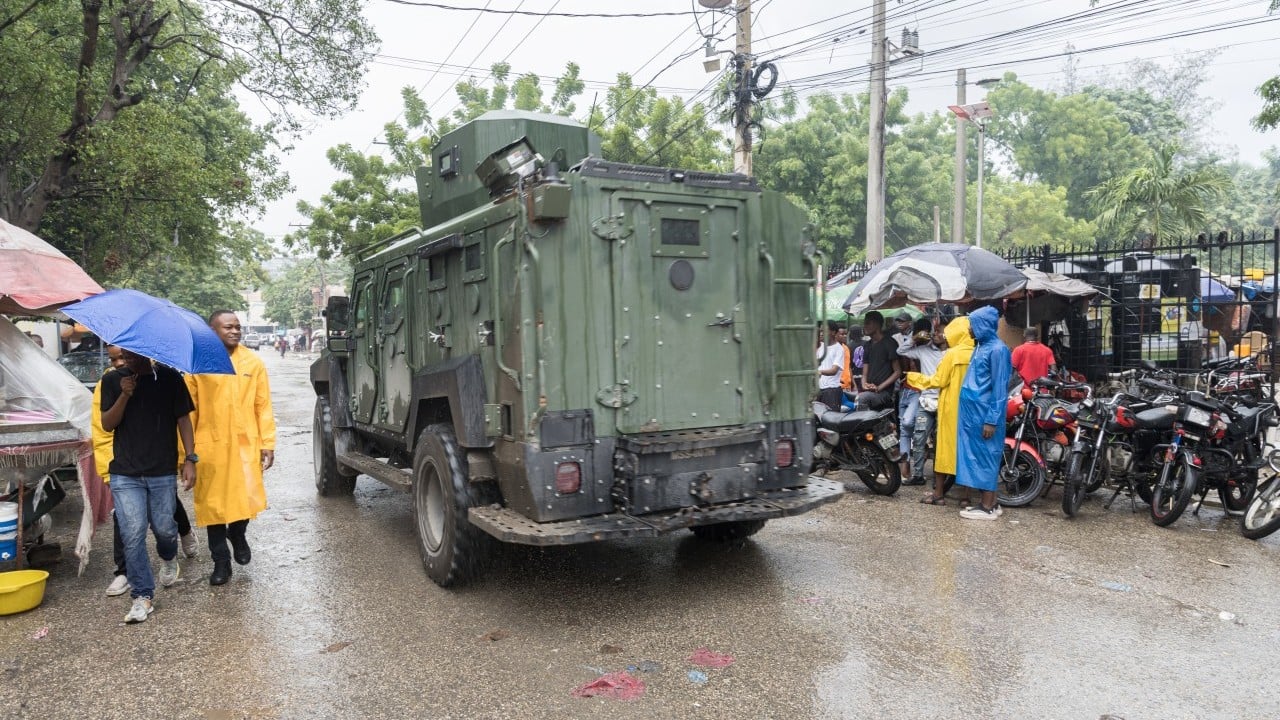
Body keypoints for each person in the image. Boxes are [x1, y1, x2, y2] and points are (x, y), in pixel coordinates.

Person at [99, 349, 197, 623]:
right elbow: (107, 424)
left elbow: (183, 420)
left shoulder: (168, 377)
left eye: (132, 353)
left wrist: (190, 459)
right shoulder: (112, 381)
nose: (126, 358)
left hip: (161, 470)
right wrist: (124, 394)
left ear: (145, 350)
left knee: (165, 529)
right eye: (122, 354)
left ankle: (168, 557)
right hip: (125, 473)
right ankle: (142, 596)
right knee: (132, 534)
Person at [186, 311, 276, 586]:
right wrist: (185, 456)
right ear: (213, 331)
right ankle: (221, 562)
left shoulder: (252, 361)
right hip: (210, 447)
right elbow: (188, 414)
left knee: (245, 499)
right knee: (213, 508)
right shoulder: (197, 365)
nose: (235, 331)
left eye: (238, 327)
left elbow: (263, 405)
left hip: (244, 446)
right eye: (228, 327)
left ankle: (237, 534)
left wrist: (267, 442)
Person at [905, 316, 975, 505]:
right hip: (971, 411)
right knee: (966, 452)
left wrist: (913, 378)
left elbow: (938, 381)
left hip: (950, 410)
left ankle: (939, 495)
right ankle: (966, 498)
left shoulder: (952, 355)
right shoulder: (977, 353)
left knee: (943, 452)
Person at [957, 306, 1013, 520]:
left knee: (986, 457)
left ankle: (987, 507)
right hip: (972, 415)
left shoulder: (998, 350)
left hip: (984, 415)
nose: (969, 329)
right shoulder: (980, 347)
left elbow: (1000, 388)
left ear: (983, 325)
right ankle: (990, 502)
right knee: (976, 458)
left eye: (972, 325)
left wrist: (992, 420)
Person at [898, 321, 947, 487]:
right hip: (925, 401)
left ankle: (939, 479)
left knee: (941, 442)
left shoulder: (953, 353)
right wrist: (914, 338)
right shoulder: (924, 350)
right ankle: (918, 475)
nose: (936, 334)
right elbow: (901, 350)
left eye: (940, 332)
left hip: (945, 401)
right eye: (935, 331)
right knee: (918, 439)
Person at [856, 311, 901, 410]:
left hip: (885, 393)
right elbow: (864, 374)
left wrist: (879, 387)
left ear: (877, 324)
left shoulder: (890, 343)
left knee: (862, 398)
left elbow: (897, 372)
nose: (865, 326)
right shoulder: (867, 345)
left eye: (868, 323)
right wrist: (864, 385)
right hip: (870, 391)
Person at [816, 322, 847, 410]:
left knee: (831, 420)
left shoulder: (839, 349)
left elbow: (834, 370)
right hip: (820, 390)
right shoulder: (820, 347)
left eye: (824, 331)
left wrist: (820, 372)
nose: (821, 334)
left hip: (831, 391)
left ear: (833, 332)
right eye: (820, 331)